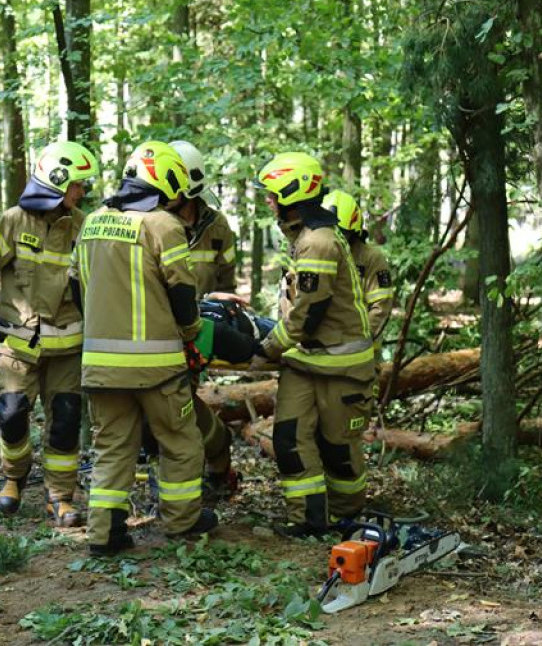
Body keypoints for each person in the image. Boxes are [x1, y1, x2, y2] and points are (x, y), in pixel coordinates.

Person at [70, 140, 218, 556]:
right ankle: (182, 520)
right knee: (179, 441)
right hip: (158, 368)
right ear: (167, 184)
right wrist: (191, 332)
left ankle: (104, 534)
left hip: (99, 366)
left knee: (112, 448)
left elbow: (75, 285)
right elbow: (183, 293)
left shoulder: (92, 222)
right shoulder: (162, 225)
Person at [0, 141, 98, 527]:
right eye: (76, 184)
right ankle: (13, 477)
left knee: (67, 419)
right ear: (56, 182)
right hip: (18, 344)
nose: (81, 192)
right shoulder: (13, 221)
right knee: (12, 415)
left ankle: (60, 496)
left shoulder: (84, 227)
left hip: (68, 347)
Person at [252, 152, 376, 538]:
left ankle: (345, 517)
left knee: (338, 450)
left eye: (272, 194)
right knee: (288, 439)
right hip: (304, 362)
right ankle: (307, 518)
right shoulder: (304, 238)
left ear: (293, 192)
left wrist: (266, 349)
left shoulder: (319, 242)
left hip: (341, 366)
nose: (268, 201)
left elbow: (308, 314)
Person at [164, 140, 242, 501]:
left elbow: (227, 283)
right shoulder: (154, 223)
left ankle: (207, 471)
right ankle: (210, 460)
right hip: (157, 336)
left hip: (198, 335)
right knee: (171, 411)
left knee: (181, 408)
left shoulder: (217, 227)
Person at [323, 190, 394, 361]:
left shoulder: (371, 259)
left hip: (364, 355)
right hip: (321, 353)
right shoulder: (316, 256)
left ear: (353, 232)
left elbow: (381, 307)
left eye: (341, 234)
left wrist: (355, 342)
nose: (336, 240)